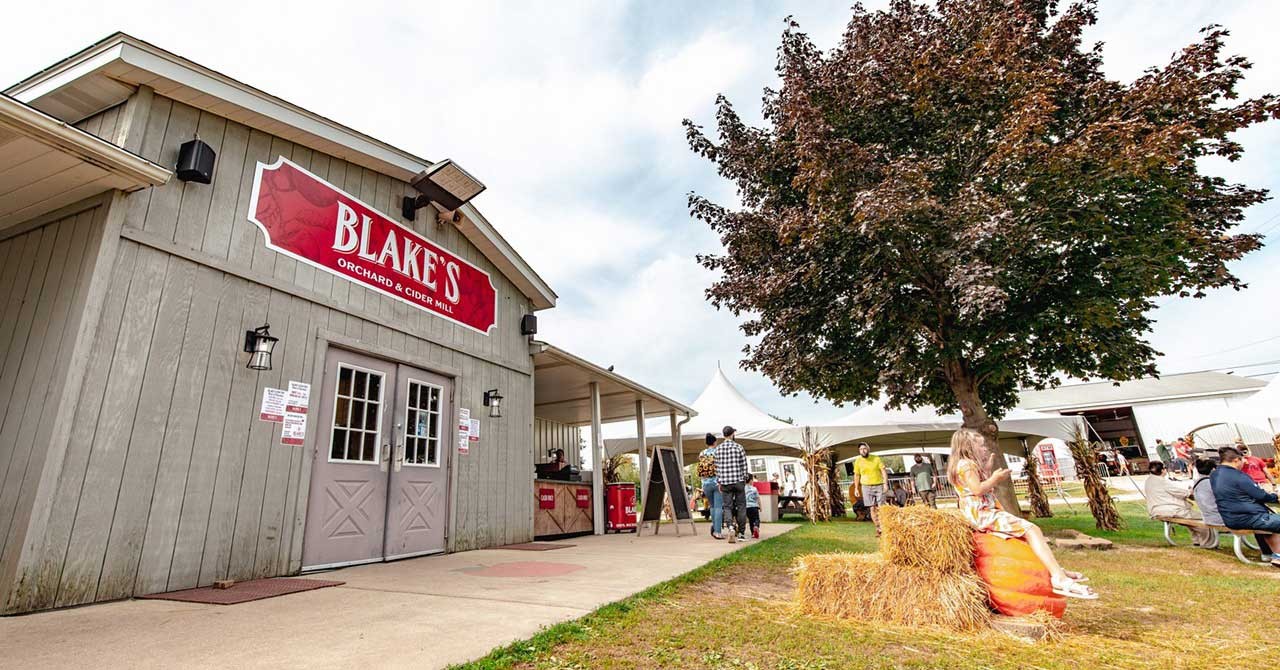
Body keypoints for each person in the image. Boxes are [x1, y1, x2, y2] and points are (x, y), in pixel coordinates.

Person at [948, 428, 1097, 599]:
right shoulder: (966, 465)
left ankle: (1054, 569)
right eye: (980, 446)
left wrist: (988, 469)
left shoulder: (965, 465)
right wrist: (995, 479)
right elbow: (977, 489)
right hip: (982, 514)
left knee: (1025, 537)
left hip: (981, 511)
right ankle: (1059, 578)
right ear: (969, 446)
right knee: (1032, 530)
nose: (984, 449)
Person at [1211, 446, 1280, 566]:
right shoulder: (1239, 476)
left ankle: (1270, 554)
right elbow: (1260, 495)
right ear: (1236, 460)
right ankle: (1277, 556)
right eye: (1243, 460)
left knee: (1270, 524)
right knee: (1272, 522)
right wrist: (1275, 496)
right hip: (1249, 517)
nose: (1244, 462)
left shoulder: (1215, 475)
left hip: (1230, 517)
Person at [1143, 461, 1215, 547]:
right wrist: (1190, 491)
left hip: (1157, 510)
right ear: (1163, 470)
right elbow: (1180, 492)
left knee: (1191, 519)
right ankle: (1208, 544)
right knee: (1203, 520)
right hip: (1170, 510)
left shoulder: (1149, 480)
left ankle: (1196, 541)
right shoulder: (1162, 482)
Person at [714, 425, 749, 543]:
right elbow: (744, 466)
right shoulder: (739, 447)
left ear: (724, 435)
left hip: (725, 482)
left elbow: (716, 468)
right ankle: (742, 533)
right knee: (741, 506)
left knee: (727, 506)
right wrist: (744, 479)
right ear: (733, 434)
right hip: (738, 481)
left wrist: (719, 481)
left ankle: (730, 527)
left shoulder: (718, 449)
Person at [852, 443, 888, 536]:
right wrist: (856, 488)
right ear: (859, 451)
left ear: (868, 449)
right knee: (872, 508)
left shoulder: (876, 458)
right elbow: (856, 475)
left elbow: (883, 471)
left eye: (864, 448)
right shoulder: (858, 461)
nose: (863, 451)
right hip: (866, 486)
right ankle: (878, 528)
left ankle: (884, 527)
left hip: (879, 485)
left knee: (881, 508)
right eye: (860, 449)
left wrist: (885, 484)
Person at [697, 433, 724, 539]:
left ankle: (714, 527)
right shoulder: (718, 452)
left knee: (712, 506)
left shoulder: (702, 453)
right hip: (717, 483)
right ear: (715, 442)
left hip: (705, 484)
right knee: (718, 507)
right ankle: (717, 531)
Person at [1192, 458, 1224, 528]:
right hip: (1220, 519)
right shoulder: (1212, 483)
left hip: (1207, 518)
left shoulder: (1197, 484)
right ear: (1213, 469)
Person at [744, 473, 761, 539]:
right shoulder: (754, 489)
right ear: (751, 480)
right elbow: (758, 498)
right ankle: (756, 526)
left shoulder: (743, 489)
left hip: (747, 507)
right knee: (756, 519)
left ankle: (752, 533)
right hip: (754, 507)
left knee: (751, 520)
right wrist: (760, 507)